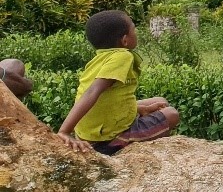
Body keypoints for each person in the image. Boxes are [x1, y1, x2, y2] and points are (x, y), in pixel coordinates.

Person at [56, 10, 180, 154]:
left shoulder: (101, 57)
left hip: (91, 130)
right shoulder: (122, 56)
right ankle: (116, 146)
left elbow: (107, 98)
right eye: (133, 28)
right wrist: (64, 131)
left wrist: (140, 109)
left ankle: (136, 115)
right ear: (125, 40)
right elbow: (93, 91)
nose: (136, 31)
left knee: (160, 101)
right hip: (106, 138)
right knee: (172, 114)